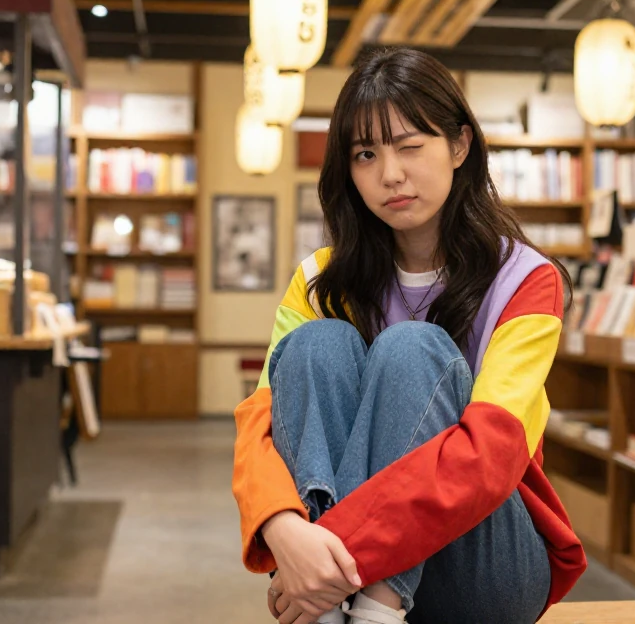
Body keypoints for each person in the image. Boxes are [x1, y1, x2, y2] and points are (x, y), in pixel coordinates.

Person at [232, 47, 584, 624]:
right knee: (316, 345)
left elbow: (491, 456)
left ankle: (363, 605)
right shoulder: (319, 280)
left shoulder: (524, 280)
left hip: (486, 567)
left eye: (410, 145)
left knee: (412, 348)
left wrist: (317, 561)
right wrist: (284, 528)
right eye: (366, 154)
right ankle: (341, 607)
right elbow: (260, 426)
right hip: (337, 570)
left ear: (460, 146)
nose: (390, 173)